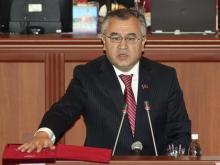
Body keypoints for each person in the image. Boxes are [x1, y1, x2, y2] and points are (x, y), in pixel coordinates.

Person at [18, 9, 191, 155]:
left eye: (131, 38)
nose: (123, 46)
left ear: (143, 42)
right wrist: (44, 134)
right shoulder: (87, 76)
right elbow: (64, 110)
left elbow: (180, 131)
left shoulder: (165, 77)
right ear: (104, 41)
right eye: (115, 38)